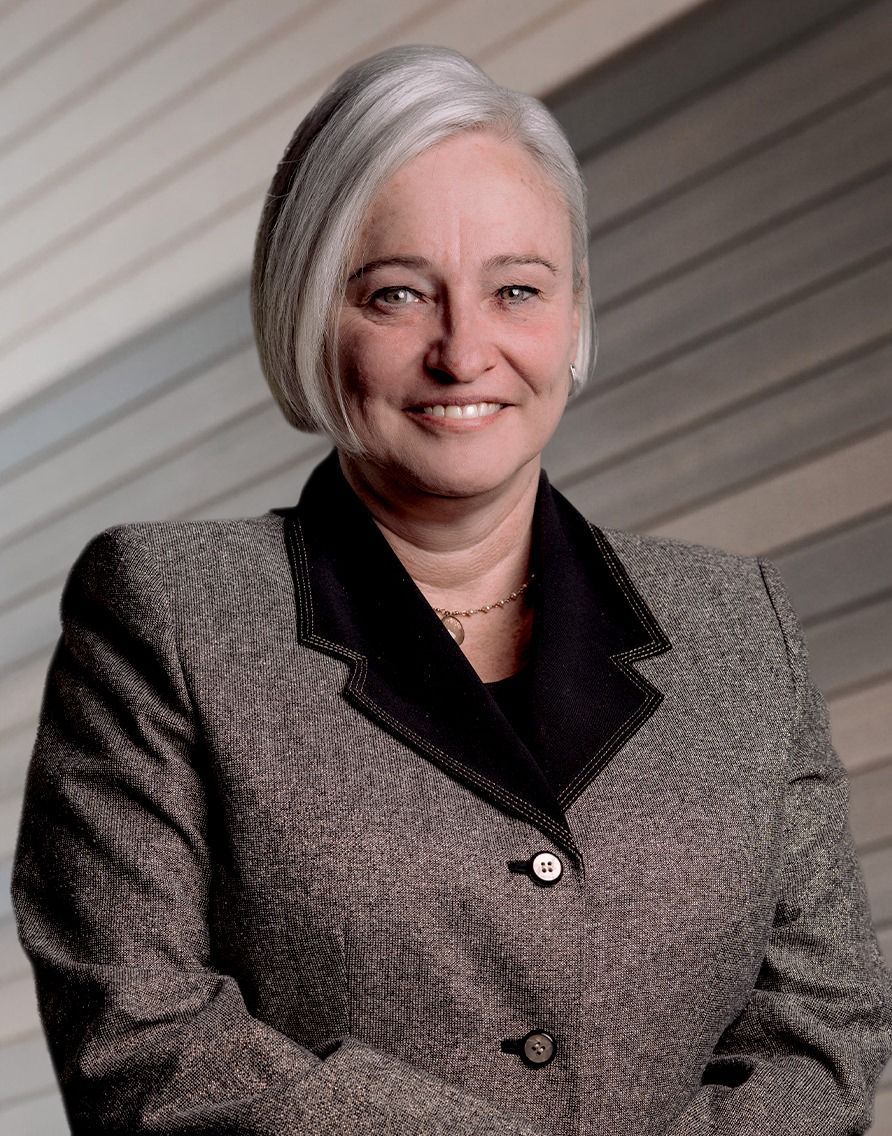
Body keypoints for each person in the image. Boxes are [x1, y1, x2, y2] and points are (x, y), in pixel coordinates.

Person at [11, 43, 892, 1136]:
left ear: (571, 317)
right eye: (396, 294)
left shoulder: (736, 624)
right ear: (307, 315)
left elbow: (824, 1021)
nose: (463, 349)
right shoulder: (167, 610)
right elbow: (142, 1037)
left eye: (516, 289)